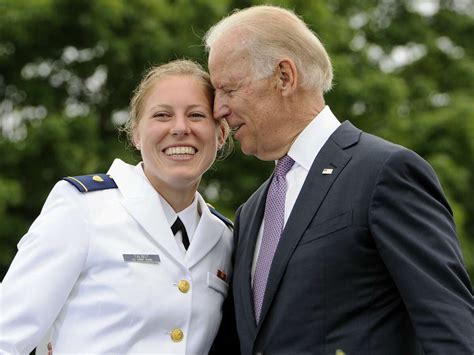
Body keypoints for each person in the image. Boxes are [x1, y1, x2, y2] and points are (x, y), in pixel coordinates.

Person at [204, 5, 473, 355]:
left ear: (284, 77)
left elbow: (451, 330)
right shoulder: (251, 213)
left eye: (228, 89)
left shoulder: (384, 173)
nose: (217, 109)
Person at [0, 59, 234, 354]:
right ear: (136, 134)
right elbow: (6, 335)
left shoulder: (224, 238)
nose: (179, 128)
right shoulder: (83, 208)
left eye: (197, 115)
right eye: (162, 115)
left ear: (221, 134)